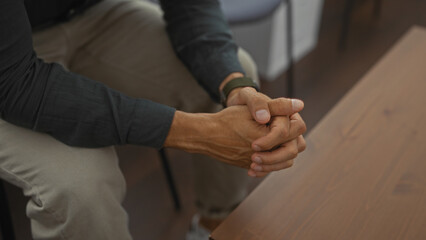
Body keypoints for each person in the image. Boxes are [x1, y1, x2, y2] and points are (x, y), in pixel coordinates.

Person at [0, 0, 307, 239]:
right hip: (9, 70)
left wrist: (235, 86)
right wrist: (199, 132)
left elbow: (190, 6)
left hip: (87, 14)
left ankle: (215, 224)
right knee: (80, 186)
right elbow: (16, 84)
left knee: (238, 72)